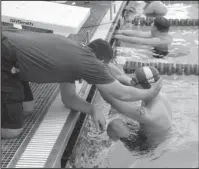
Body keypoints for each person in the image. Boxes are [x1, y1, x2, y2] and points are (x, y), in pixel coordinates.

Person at [1, 26, 162, 138]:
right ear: (99, 61)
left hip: (13, 57)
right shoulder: (89, 62)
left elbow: (68, 99)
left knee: (27, 108)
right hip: (5, 56)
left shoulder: (74, 52)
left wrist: (92, 109)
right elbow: (123, 93)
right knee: (12, 131)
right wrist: (151, 92)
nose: (102, 71)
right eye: (103, 67)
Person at [105, 66, 172, 143]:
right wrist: (100, 61)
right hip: (148, 131)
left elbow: (111, 99)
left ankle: (106, 146)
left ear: (145, 87)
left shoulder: (150, 113)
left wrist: (99, 83)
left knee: (115, 125)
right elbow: (119, 75)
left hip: (147, 146)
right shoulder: (154, 94)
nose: (131, 83)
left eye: (134, 81)